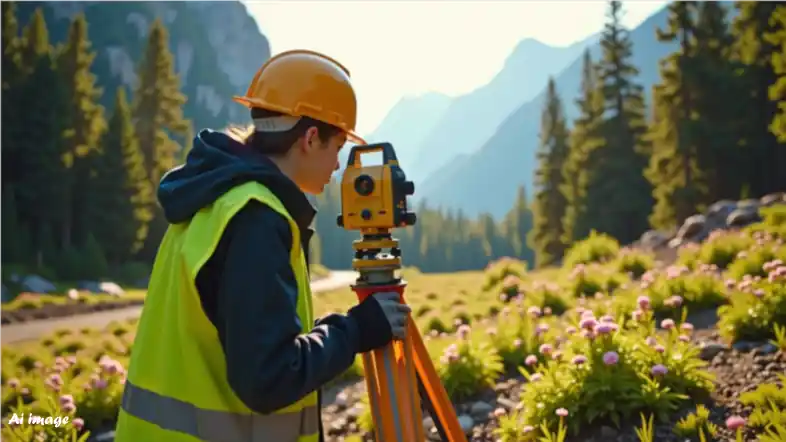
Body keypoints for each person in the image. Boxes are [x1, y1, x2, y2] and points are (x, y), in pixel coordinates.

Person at [114, 49, 412, 442]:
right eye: (337, 147)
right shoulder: (255, 216)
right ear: (309, 138)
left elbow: (240, 337)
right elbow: (269, 377)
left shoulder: (214, 198)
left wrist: (331, 333)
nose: (339, 166)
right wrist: (357, 330)